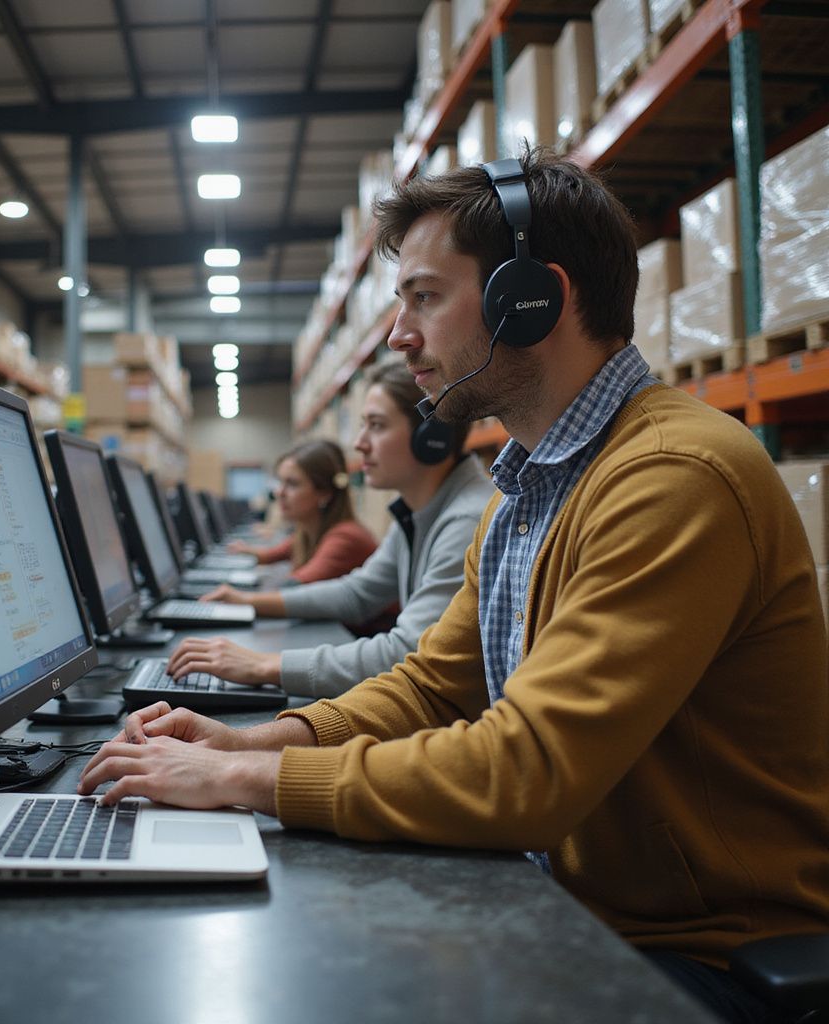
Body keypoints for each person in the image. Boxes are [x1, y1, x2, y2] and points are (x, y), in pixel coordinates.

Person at [80, 150, 829, 1023]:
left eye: (424, 298)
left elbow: (527, 772)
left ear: (530, 300)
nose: (400, 336)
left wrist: (240, 784)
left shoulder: (673, 477)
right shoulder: (527, 489)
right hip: (580, 905)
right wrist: (246, 742)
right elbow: (436, 686)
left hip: (704, 956)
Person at [165, 361, 495, 697]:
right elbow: (357, 593)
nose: (359, 443)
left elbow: (411, 651)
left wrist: (265, 665)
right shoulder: (418, 511)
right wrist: (248, 601)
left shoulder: (466, 520)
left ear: (432, 438)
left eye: (377, 426)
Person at [241, 439, 377, 584]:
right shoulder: (306, 533)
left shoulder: (345, 537)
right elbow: (268, 556)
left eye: (292, 484)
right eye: (280, 482)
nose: (279, 492)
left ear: (324, 493)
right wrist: (236, 552)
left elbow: (293, 589)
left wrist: (237, 598)